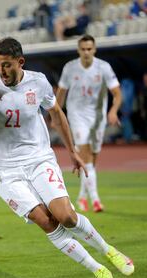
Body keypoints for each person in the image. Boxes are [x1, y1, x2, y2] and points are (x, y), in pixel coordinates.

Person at [0, 37, 134, 278]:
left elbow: (56, 114)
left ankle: (108, 250)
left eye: (6, 65)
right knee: (47, 221)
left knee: (66, 216)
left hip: (38, 159)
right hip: (4, 171)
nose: (0, 71)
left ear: (20, 62)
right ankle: (97, 269)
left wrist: (72, 151)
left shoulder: (38, 82)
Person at [56, 35, 122, 212]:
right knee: (86, 156)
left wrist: (113, 110)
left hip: (98, 118)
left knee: (91, 158)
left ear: (94, 49)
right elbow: (61, 92)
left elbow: (117, 93)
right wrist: (56, 115)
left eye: (89, 49)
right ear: (79, 50)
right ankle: (96, 199)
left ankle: (81, 197)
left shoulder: (103, 67)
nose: (86, 52)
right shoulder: (70, 68)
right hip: (77, 116)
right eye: (83, 49)